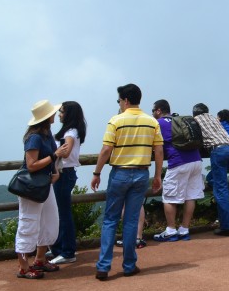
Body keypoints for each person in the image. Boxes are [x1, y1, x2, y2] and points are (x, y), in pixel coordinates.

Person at [90, 84, 163, 280]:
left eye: (119, 100)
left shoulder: (116, 121)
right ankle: (129, 265)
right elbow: (159, 151)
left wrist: (97, 172)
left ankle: (103, 266)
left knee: (110, 220)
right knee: (131, 221)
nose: (120, 104)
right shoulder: (151, 122)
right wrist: (157, 176)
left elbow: (106, 150)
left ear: (126, 100)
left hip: (119, 173)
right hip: (141, 174)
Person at [15, 100, 70, 279]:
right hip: (31, 186)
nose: (55, 115)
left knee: (50, 222)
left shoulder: (46, 135)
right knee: (28, 224)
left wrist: (54, 171)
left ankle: (39, 259)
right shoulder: (35, 138)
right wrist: (55, 156)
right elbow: (31, 165)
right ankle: (23, 267)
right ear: (47, 117)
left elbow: (47, 160)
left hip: (44, 184)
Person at [152, 100, 203, 242]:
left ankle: (170, 230)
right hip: (196, 160)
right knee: (190, 196)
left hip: (178, 162)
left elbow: (155, 146)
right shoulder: (178, 119)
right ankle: (184, 229)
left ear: (158, 110)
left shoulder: (158, 123)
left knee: (169, 197)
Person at [192, 103, 229, 236]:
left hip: (219, 151)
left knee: (220, 189)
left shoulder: (196, 120)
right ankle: (228, 198)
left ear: (194, 113)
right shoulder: (213, 118)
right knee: (215, 180)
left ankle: (226, 227)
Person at [49, 100, 85, 265]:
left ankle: (68, 252)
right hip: (66, 174)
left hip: (64, 174)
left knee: (63, 215)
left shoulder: (70, 132)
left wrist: (55, 152)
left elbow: (66, 152)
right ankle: (60, 249)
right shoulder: (73, 131)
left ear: (68, 114)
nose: (59, 114)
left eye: (62, 111)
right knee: (61, 213)